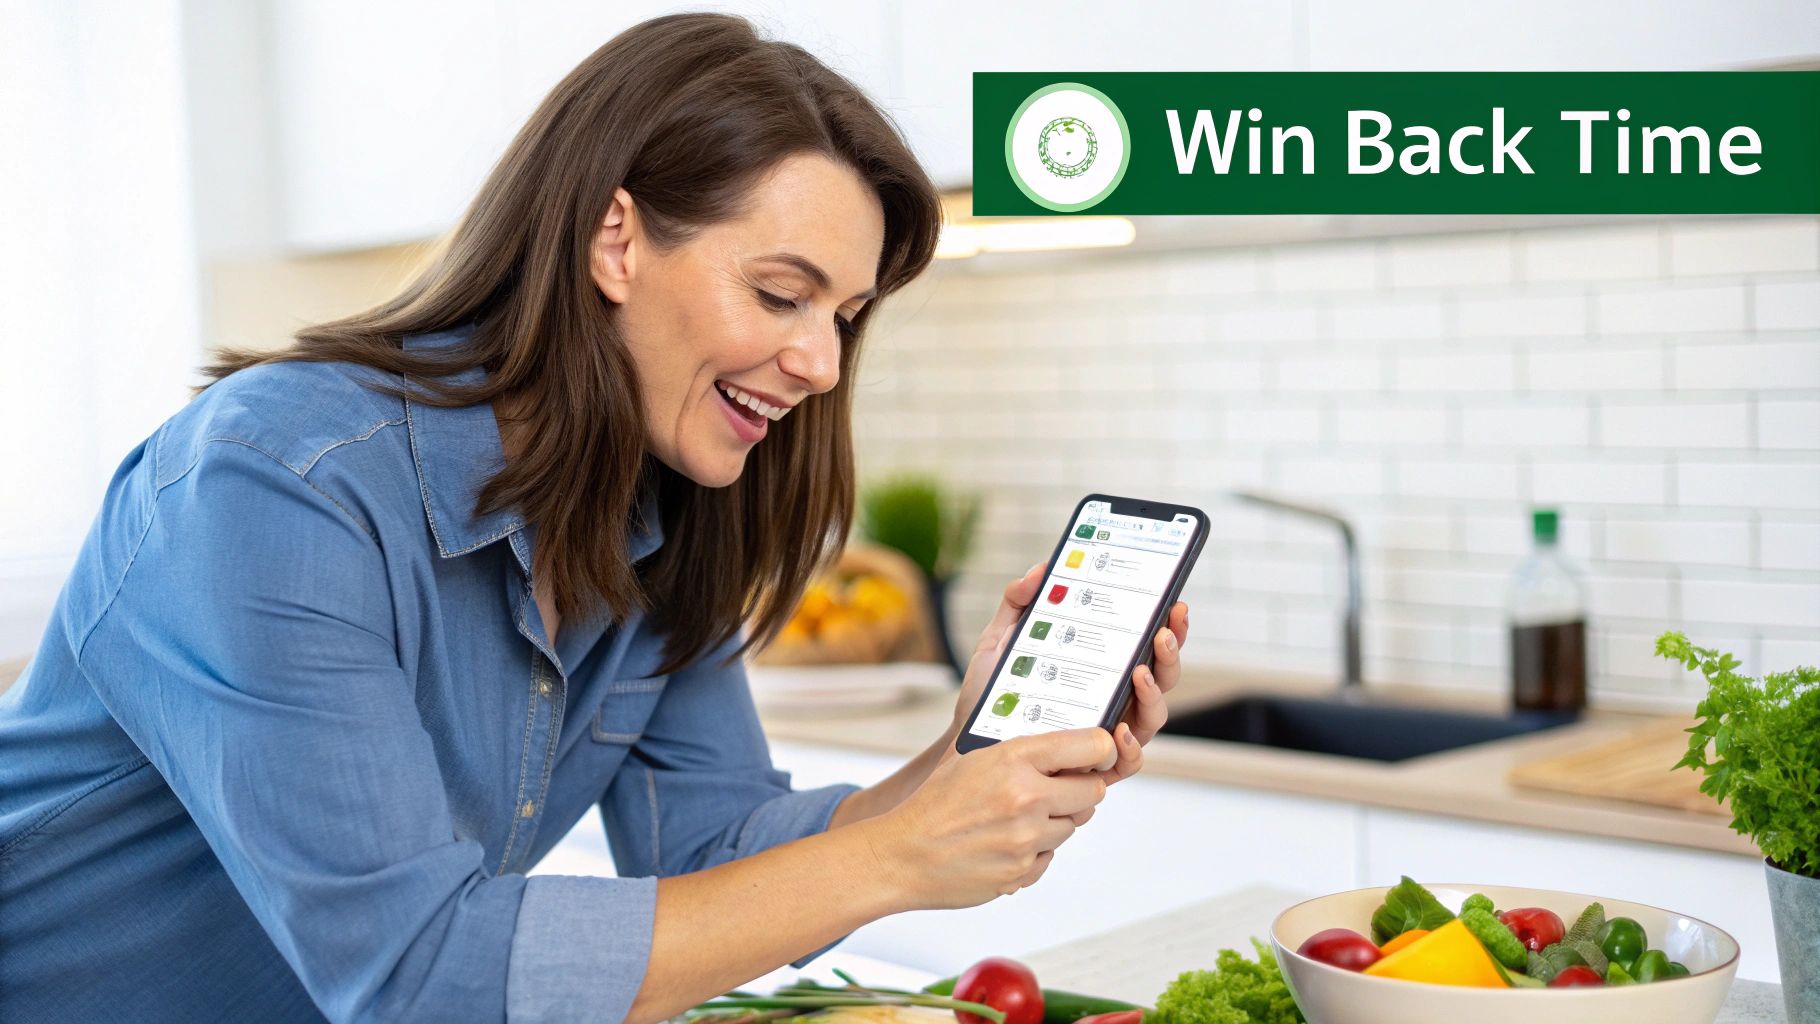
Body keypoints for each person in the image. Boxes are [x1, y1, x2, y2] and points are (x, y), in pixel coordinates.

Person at [0, 13, 1190, 1023]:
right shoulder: (276, 484)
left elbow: (713, 850)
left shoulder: (662, 509)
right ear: (613, 238)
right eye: (781, 293)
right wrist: (894, 853)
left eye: (844, 316)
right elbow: (419, 974)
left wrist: (956, 768)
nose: (821, 362)